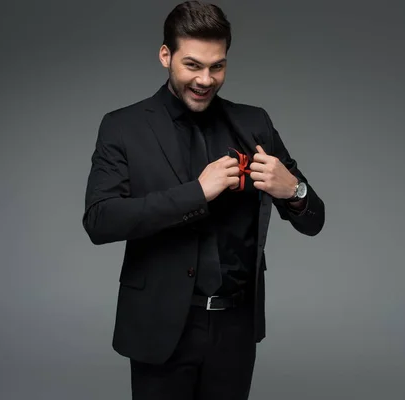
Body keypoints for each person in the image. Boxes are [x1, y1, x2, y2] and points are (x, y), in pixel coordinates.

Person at [82, 1, 325, 398]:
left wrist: (293, 189)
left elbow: (314, 219)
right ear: (166, 56)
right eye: (192, 65)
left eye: (217, 66)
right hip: (159, 327)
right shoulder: (122, 126)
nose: (205, 80)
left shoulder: (254, 124)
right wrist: (197, 193)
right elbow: (100, 220)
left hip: (236, 329)